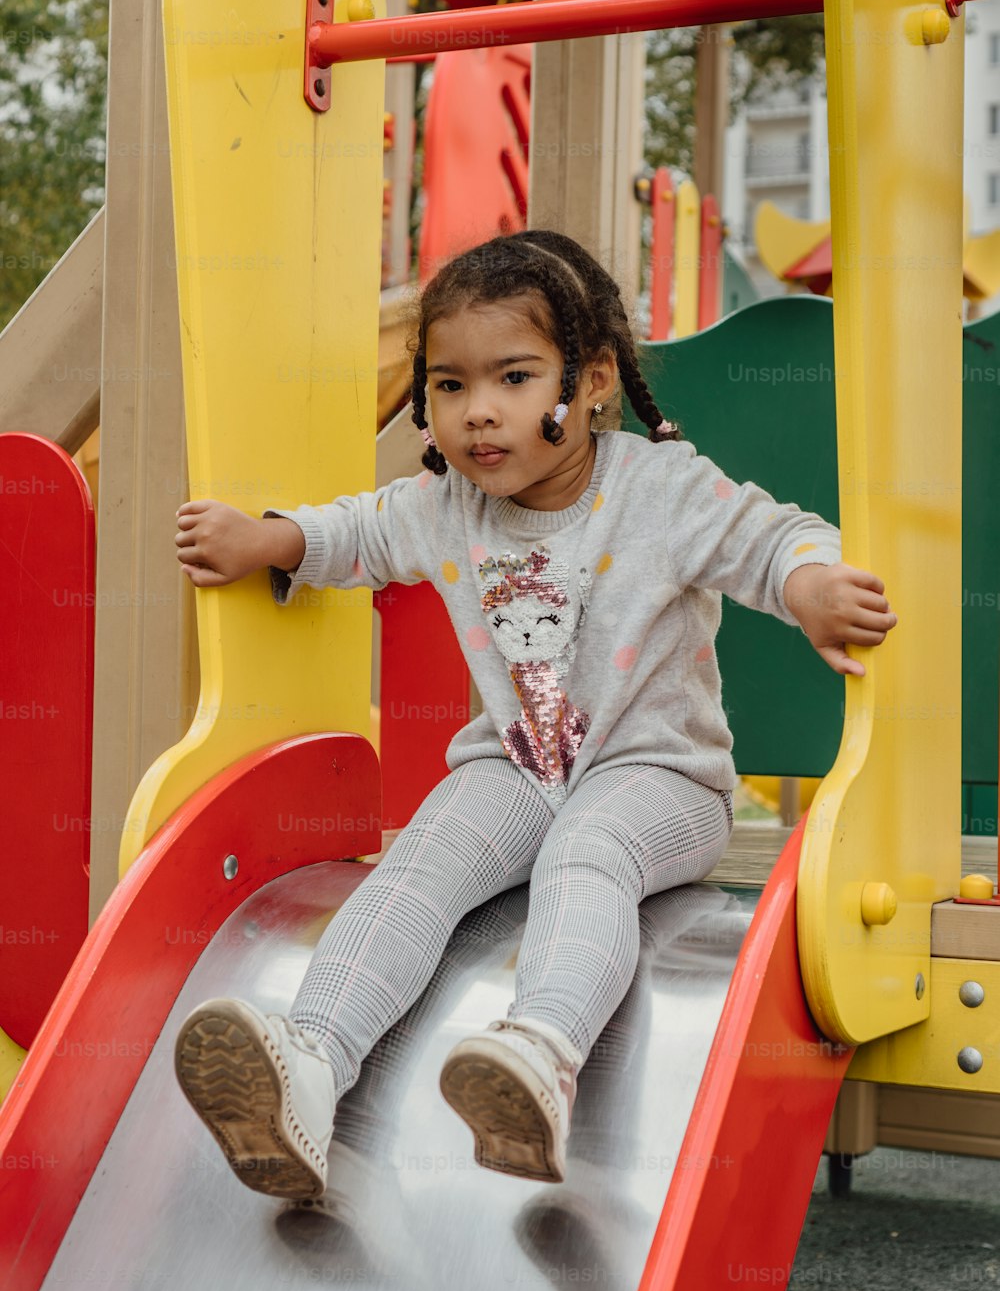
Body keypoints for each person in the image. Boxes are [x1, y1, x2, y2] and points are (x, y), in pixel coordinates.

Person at [172, 230, 897, 1202]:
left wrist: (807, 582)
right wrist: (269, 539)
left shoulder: (657, 488)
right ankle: (309, 1065)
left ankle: (541, 1056)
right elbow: (355, 532)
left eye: (513, 378)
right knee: (424, 856)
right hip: (517, 764)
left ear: (590, 380)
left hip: (660, 777)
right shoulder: (446, 507)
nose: (478, 414)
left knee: (586, 852)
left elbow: (769, 534)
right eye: (448, 385)